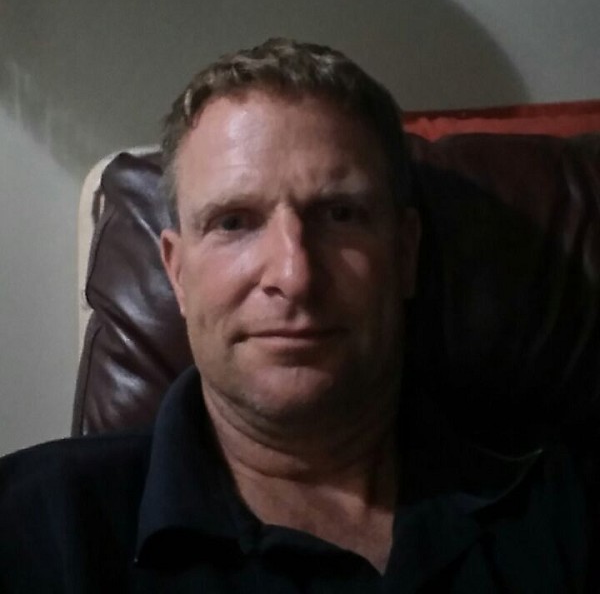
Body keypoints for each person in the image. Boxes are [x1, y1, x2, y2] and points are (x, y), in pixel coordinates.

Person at [0, 38, 593, 592]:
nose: (295, 275)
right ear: (177, 274)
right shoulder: (35, 525)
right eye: (234, 222)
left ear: (405, 254)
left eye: (340, 214)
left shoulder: (564, 510)